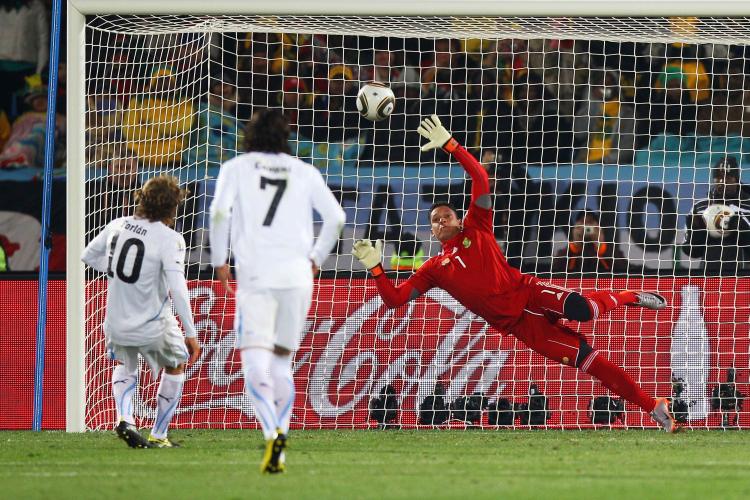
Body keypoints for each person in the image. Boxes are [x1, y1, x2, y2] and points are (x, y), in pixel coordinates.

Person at [352, 115, 677, 432]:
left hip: (528, 291)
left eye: (446, 216)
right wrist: (377, 267)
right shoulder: (433, 269)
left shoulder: (477, 225)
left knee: (585, 310)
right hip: (521, 325)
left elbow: (480, 176)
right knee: (587, 361)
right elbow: (394, 299)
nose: (441, 222)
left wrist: (451, 145)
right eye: (435, 221)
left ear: (458, 219)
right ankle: (654, 406)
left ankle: (627, 295)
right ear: (432, 231)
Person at [209, 108, 345, 473]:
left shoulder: (235, 168)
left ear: (249, 135)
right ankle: (281, 445)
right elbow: (336, 218)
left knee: (255, 361)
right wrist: (316, 257)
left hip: (257, 276)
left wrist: (220, 258)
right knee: (283, 362)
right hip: (298, 276)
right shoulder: (305, 171)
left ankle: (272, 433)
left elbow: (219, 213)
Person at [82, 175, 201, 448]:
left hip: (115, 321)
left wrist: (116, 273)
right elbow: (178, 288)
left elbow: (88, 255)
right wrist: (191, 332)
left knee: (125, 364)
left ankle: (125, 418)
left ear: (142, 200)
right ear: (172, 208)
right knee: (176, 364)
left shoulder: (117, 225)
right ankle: (159, 435)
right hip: (152, 323)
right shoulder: (170, 239)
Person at [682, 156, 750, 275]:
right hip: (709, 277)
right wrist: (698, 233)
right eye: (718, 177)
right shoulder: (700, 208)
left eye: (728, 178)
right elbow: (691, 251)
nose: (722, 182)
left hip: (743, 277)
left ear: (736, 179)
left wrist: (741, 228)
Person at [552, 211, 627, 274]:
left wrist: (600, 244)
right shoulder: (568, 252)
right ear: (575, 227)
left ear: (598, 227)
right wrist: (574, 244)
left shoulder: (610, 252)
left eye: (590, 222)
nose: (586, 227)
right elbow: (555, 270)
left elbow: (623, 269)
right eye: (582, 222)